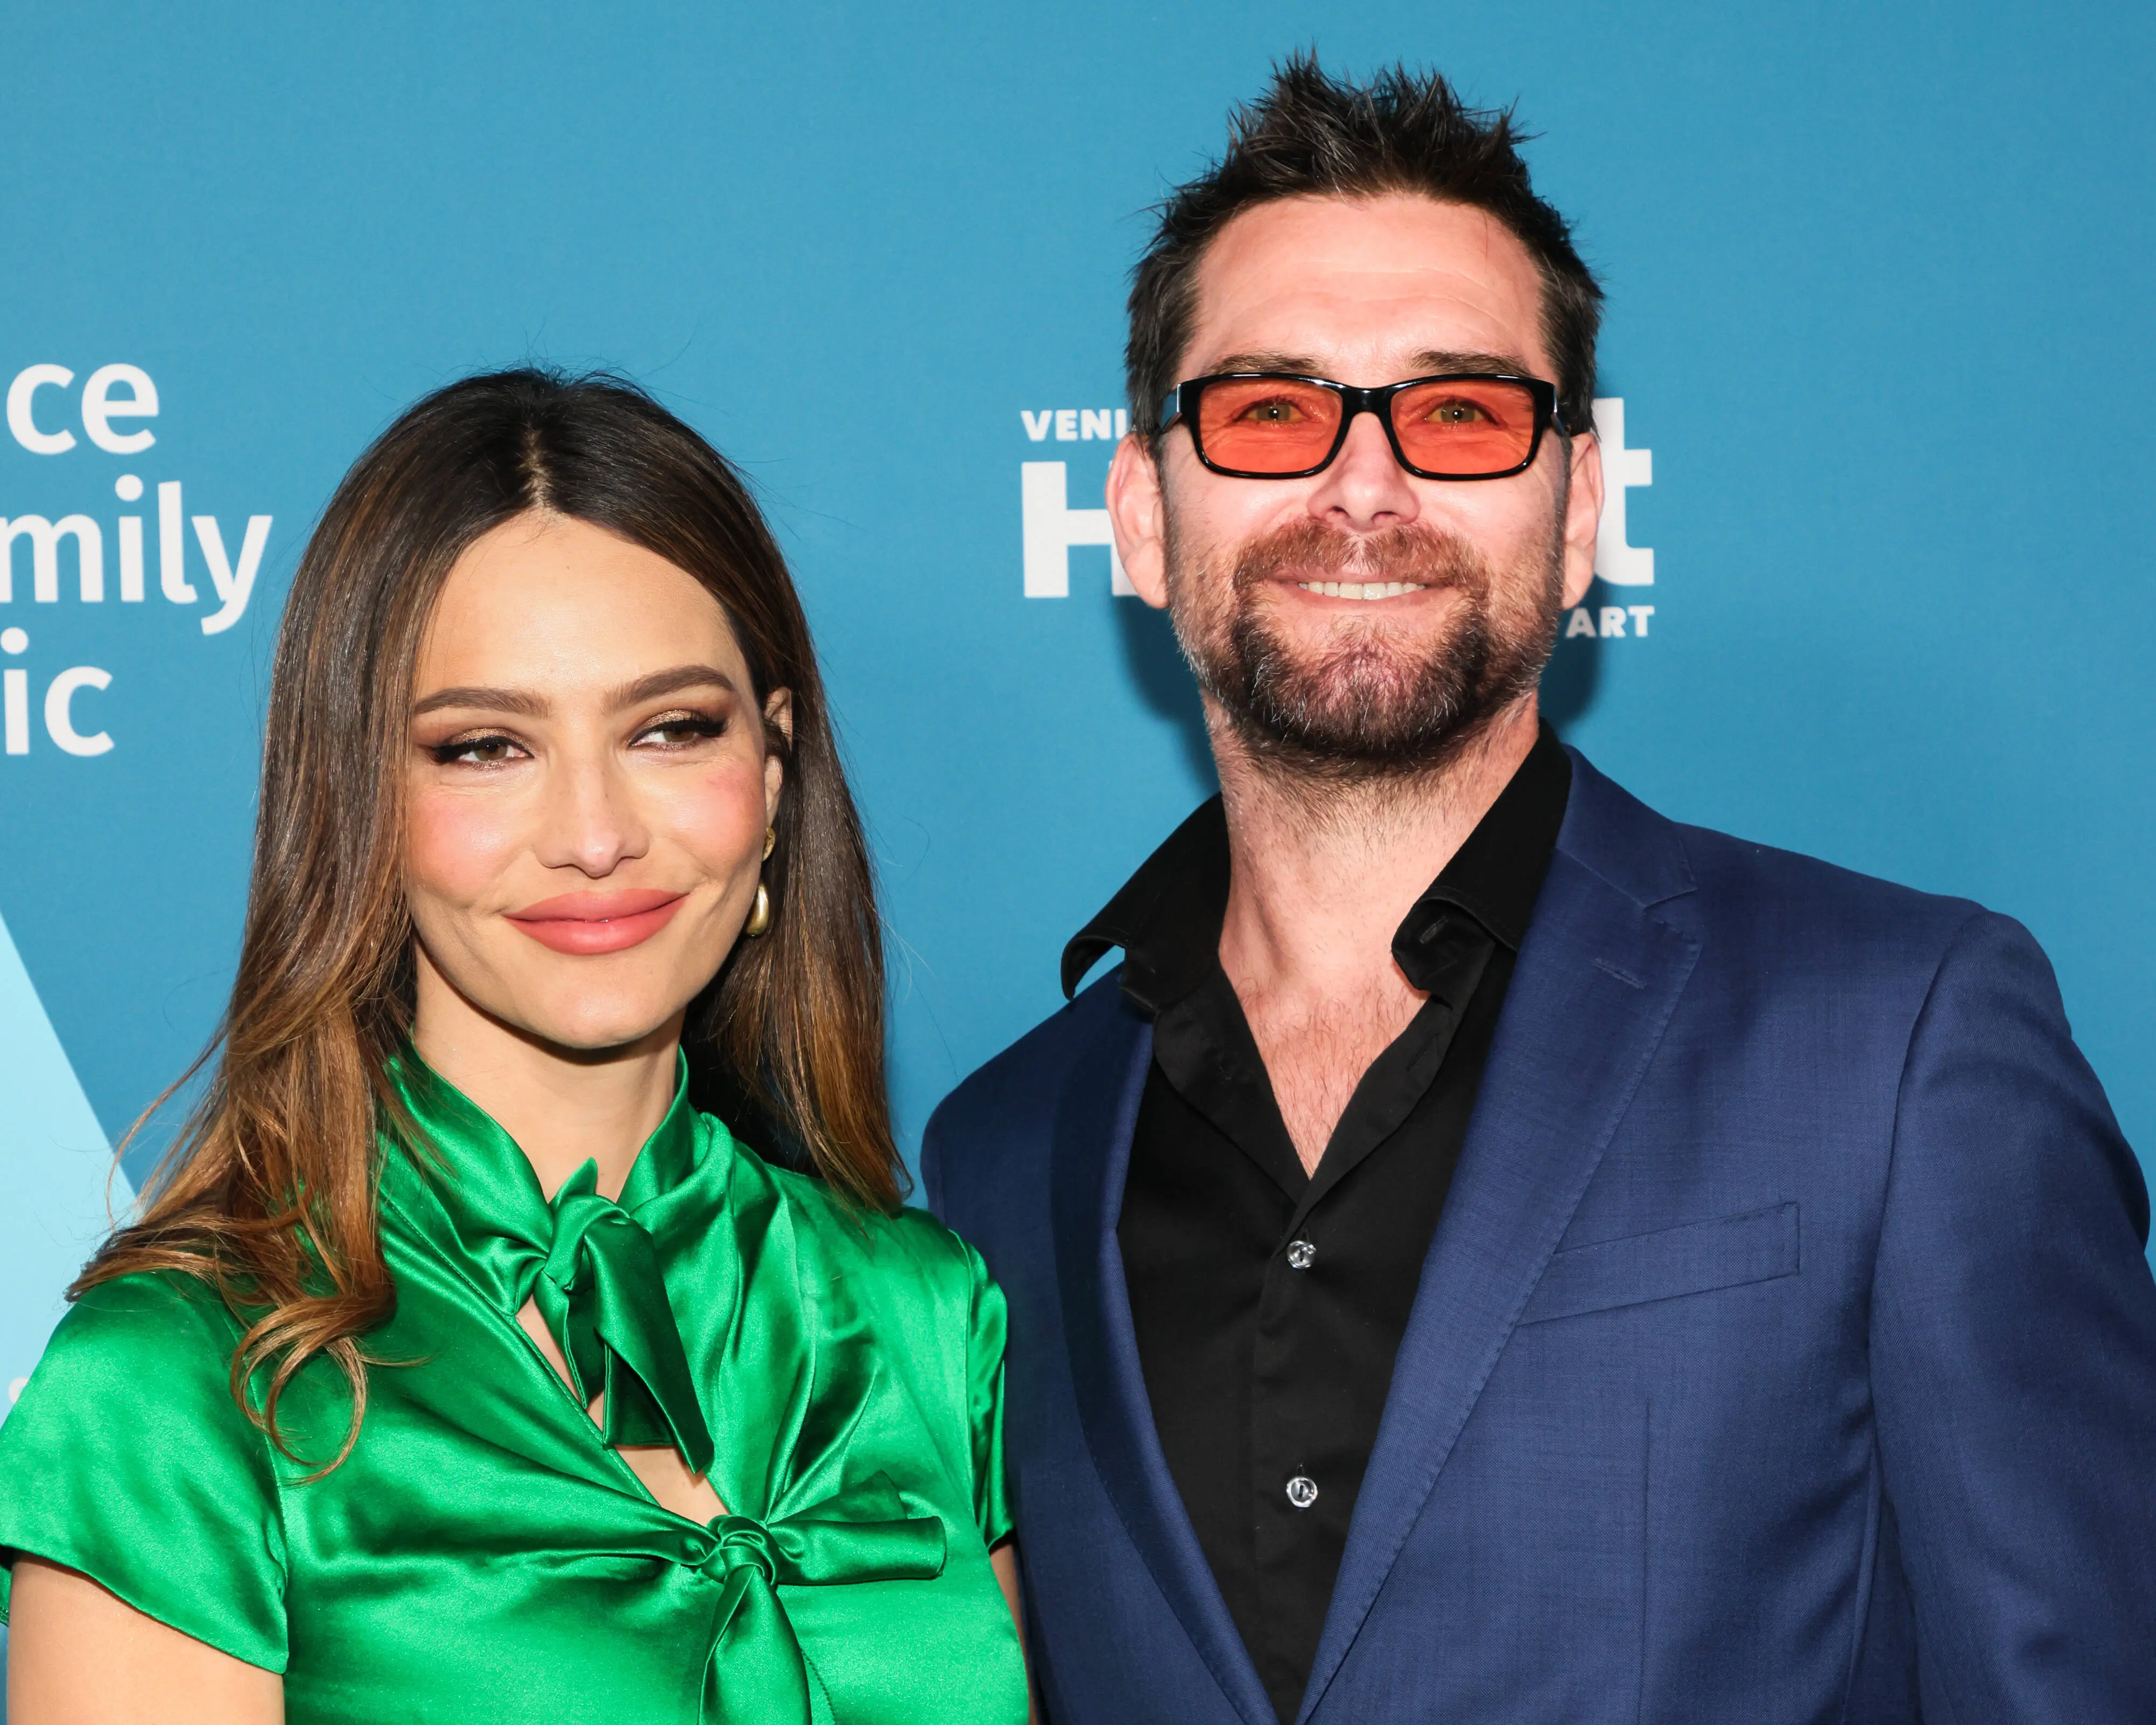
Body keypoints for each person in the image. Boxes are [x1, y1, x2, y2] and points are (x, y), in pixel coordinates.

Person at [923, 56, 2156, 1725]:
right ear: (1141, 518)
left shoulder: (1900, 1039)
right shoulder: (1003, 1151)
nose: (1364, 488)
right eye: (1272, 410)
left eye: (1459, 413)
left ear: (1577, 516)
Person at [0, 370, 1032, 1725]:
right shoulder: (183, 1378)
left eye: (670, 729)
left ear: (773, 777)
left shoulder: (923, 1314)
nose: (594, 833)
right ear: (363, 797)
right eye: (485, 747)